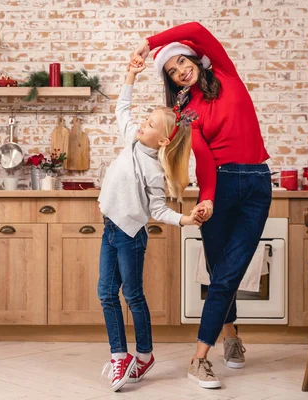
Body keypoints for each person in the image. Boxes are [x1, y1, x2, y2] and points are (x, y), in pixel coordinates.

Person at [130, 21, 272, 389]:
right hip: (221, 186)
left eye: (181, 62)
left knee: (229, 272)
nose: (180, 72)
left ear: (194, 57)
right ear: (173, 82)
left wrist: (150, 44)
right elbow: (204, 157)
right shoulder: (186, 111)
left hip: (257, 183)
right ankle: (230, 336)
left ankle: (198, 360)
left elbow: (196, 28)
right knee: (220, 271)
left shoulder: (225, 71)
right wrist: (207, 196)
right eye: (173, 73)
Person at [97, 60, 198, 392]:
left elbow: (158, 209)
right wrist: (130, 75)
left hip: (131, 236)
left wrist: (183, 219)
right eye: (146, 118)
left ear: (164, 140)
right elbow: (123, 110)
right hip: (110, 228)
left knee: (133, 295)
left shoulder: (154, 170)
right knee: (106, 293)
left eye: (152, 124)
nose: (143, 123)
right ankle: (118, 355)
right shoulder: (131, 140)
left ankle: (144, 353)